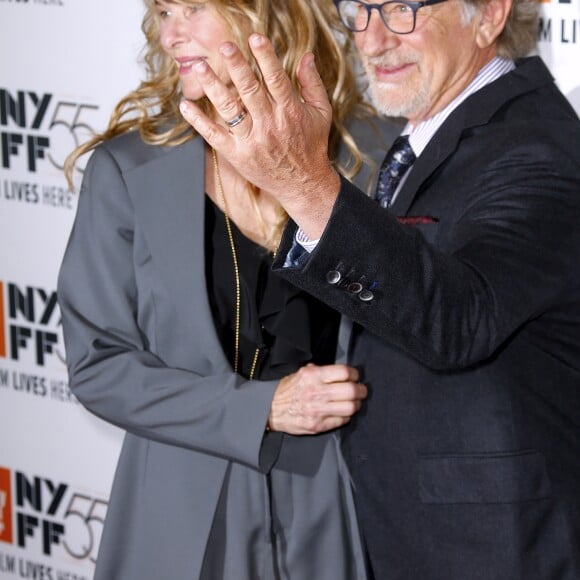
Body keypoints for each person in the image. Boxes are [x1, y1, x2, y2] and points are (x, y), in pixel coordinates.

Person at [178, 0, 580, 577]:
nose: (371, 40)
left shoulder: (537, 148)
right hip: (406, 534)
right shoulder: (426, 131)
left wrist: (306, 183)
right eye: (359, 10)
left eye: (401, 9)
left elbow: (458, 318)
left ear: (489, 14)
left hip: (495, 551)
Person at [57, 1, 401, 579]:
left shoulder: (374, 153)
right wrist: (260, 409)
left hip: (345, 501)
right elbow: (99, 367)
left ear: (267, 15)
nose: (171, 34)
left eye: (194, 8)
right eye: (165, 11)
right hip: (185, 508)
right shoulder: (128, 168)